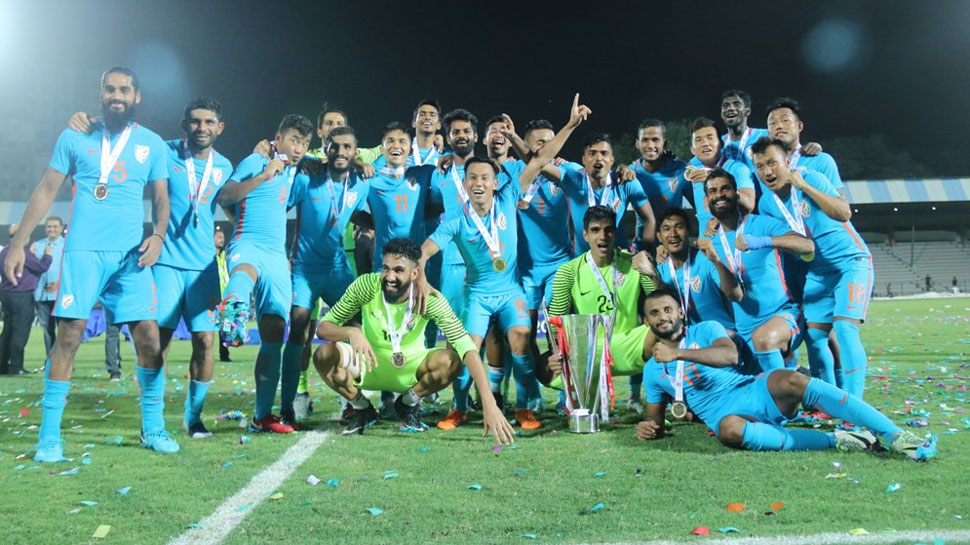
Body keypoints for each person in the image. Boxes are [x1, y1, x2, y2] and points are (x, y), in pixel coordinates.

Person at [4, 67, 172, 461]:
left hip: (131, 255)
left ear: (137, 96)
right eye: (110, 89)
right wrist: (18, 242)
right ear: (101, 94)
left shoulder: (152, 143)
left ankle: (153, 428)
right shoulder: (74, 135)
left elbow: (162, 199)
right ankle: (49, 437)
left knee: (149, 338)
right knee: (68, 337)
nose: (117, 95)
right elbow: (47, 189)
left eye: (124, 89)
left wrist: (159, 235)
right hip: (83, 252)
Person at [420, 94, 592, 430]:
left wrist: (571, 124)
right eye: (472, 178)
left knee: (521, 338)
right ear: (465, 183)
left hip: (510, 290)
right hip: (477, 295)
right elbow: (428, 247)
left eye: (485, 178)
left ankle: (524, 408)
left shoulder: (509, 196)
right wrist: (422, 273)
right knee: (467, 347)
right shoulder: (457, 220)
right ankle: (459, 407)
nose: (479, 183)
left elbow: (541, 159)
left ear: (495, 182)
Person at [68, 97, 235, 436]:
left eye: (208, 122)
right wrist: (89, 120)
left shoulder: (225, 166)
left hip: (203, 268)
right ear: (184, 124)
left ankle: (193, 417)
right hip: (164, 262)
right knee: (159, 342)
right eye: (195, 121)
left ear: (220, 127)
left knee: (206, 341)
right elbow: (124, 138)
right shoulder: (162, 150)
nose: (201, 128)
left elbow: (236, 206)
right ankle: (152, 421)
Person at [636, 289, 936, 461]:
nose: (663, 317)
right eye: (654, 313)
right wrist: (650, 428)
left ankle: (897, 436)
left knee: (788, 378)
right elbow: (656, 419)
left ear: (681, 313)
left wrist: (678, 354)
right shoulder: (652, 371)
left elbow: (729, 356)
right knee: (729, 431)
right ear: (646, 321)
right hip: (728, 417)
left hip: (752, 391)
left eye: (668, 309)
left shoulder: (706, 329)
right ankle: (840, 439)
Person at [313, 238, 515, 444]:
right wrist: (351, 333)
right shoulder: (367, 286)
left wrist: (489, 403)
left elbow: (466, 346)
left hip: (411, 370)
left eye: (398, 270)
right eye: (385, 268)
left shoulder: (428, 299)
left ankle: (408, 403)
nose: (389, 277)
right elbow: (323, 328)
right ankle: (362, 408)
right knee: (323, 354)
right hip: (368, 365)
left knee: (451, 360)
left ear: (415, 273)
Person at [751, 137, 872, 398]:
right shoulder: (766, 204)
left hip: (850, 263)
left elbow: (844, 213)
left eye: (772, 163)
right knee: (815, 339)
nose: (767, 171)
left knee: (845, 329)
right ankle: (829, 402)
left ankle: (855, 406)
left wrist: (804, 186)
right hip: (818, 273)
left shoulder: (812, 178)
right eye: (760, 166)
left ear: (787, 161)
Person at [216, 113, 313, 434]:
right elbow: (225, 196)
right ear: (278, 138)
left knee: (275, 334)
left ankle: (263, 416)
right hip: (247, 242)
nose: (298, 148)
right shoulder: (256, 161)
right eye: (293, 140)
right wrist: (264, 174)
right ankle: (233, 308)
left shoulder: (298, 171)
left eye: (304, 143)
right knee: (245, 271)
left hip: (276, 255)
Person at [281, 125, 371, 428]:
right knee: (298, 328)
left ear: (355, 152)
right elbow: (279, 205)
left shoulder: (361, 184)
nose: (341, 152)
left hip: (337, 269)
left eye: (347, 147)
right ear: (326, 149)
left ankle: (352, 400)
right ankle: (290, 404)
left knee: (357, 324)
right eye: (335, 146)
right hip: (304, 269)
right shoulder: (307, 177)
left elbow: (352, 212)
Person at [700, 168, 815, 374]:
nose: (719, 195)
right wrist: (716, 261)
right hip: (746, 332)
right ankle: (798, 376)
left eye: (725, 188)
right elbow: (735, 295)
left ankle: (790, 379)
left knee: (764, 339)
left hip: (784, 315)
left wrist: (762, 241)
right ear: (707, 200)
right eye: (713, 191)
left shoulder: (760, 224)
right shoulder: (711, 246)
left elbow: (807, 246)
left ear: (736, 193)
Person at [537, 206, 656, 394]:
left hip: (629, 345)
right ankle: (587, 401)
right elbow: (556, 325)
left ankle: (665, 400)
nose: (603, 236)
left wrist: (652, 273)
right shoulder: (568, 272)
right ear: (585, 235)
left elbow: (662, 302)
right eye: (595, 230)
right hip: (587, 351)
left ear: (615, 233)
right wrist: (556, 352)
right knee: (542, 367)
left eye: (608, 230)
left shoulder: (634, 263)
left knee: (668, 333)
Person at [641, 207, 739, 330]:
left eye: (679, 227)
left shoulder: (705, 258)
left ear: (688, 231)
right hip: (686, 336)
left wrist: (716, 260)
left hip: (721, 333)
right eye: (666, 229)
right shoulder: (661, 267)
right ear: (659, 237)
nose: (673, 234)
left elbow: (736, 295)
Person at [683, 117, 756, 232]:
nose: (705, 143)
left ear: (720, 143)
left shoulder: (738, 169)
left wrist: (714, 182)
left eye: (710, 137)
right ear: (692, 150)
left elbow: (749, 205)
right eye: (698, 140)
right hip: (705, 239)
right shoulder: (692, 172)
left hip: (735, 237)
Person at [628, 119, 688, 251]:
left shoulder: (680, 170)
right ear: (637, 143)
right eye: (645, 140)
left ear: (664, 143)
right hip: (642, 251)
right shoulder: (630, 173)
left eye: (655, 140)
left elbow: (701, 206)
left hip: (674, 250)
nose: (650, 145)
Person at [0, 224, 52, 374]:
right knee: (20, 331)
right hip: (22, 295)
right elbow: (41, 267)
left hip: (7, 294)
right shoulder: (22, 253)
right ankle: (16, 366)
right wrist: (48, 255)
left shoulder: (4, 252)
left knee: (7, 331)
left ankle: (2, 365)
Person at [31, 216, 65, 355]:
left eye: (55, 226)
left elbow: (72, 269)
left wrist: (60, 283)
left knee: (63, 330)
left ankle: (64, 361)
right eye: (49, 226)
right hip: (41, 294)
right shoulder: (37, 245)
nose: (52, 229)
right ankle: (50, 360)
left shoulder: (66, 246)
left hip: (61, 295)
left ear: (61, 228)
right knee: (47, 330)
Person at [214, 227, 231, 362]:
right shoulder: (208, 256)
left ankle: (224, 354)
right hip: (211, 295)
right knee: (205, 328)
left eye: (223, 237)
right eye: (219, 237)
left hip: (224, 297)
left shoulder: (225, 255)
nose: (222, 239)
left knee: (225, 327)